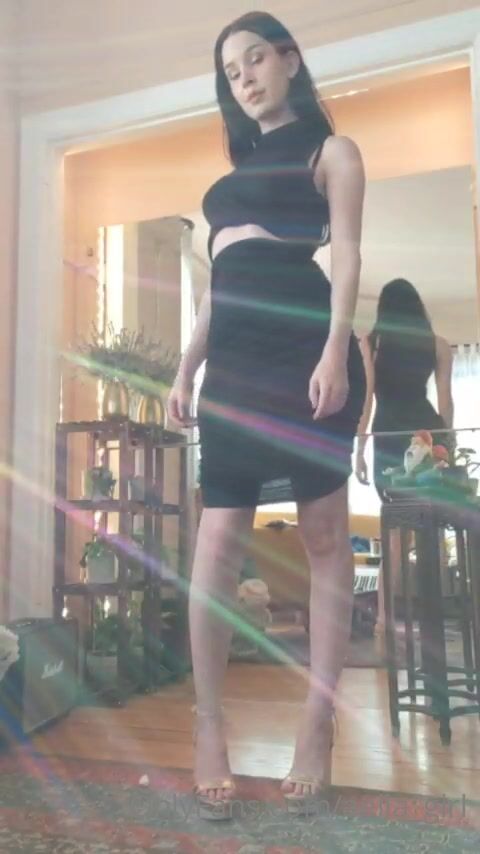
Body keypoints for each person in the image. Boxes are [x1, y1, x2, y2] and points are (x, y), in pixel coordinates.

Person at [167, 11, 366, 818]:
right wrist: (186, 367)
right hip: (235, 369)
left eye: (256, 59)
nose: (245, 77)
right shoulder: (230, 181)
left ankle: (317, 725)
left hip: (308, 351)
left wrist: (334, 351)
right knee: (216, 545)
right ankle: (209, 725)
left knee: (324, 538)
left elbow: (346, 255)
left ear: (288, 60)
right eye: (232, 71)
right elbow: (218, 287)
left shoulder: (332, 152)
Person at [355, 278, 454, 631]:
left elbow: (366, 400)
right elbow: (445, 402)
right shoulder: (437, 344)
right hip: (427, 434)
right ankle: (434, 616)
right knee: (431, 525)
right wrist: (447, 447)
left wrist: (359, 450)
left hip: (389, 437)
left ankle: (384, 619)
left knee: (395, 532)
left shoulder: (372, 343)